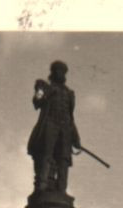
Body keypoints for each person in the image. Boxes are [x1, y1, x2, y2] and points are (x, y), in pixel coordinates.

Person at [28, 60, 81, 193]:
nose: (60, 73)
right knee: (47, 154)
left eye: (63, 71)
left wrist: (75, 136)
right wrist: (45, 93)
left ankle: (61, 189)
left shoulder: (69, 94)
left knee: (64, 158)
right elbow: (37, 101)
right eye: (58, 70)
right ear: (52, 73)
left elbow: (70, 117)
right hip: (49, 125)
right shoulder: (44, 86)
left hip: (65, 129)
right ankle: (42, 186)